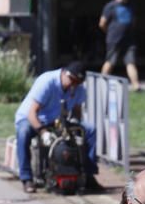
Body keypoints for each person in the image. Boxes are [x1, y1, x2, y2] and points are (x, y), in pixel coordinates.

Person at [14, 61, 99, 194]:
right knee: (23, 133)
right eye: (72, 80)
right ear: (64, 73)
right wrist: (42, 132)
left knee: (90, 130)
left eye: (77, 82)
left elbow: (77, 111)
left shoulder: (78, 88)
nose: (73, 85)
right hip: (33, 118)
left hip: (56, 120)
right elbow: (32, 113)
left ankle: (88, 174)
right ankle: (26, 178)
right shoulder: (47, 82)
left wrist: (75, 126)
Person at [99, 0, 141, 92]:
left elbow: (134, 21)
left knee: (131, 62)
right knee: (110, 62)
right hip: (114, 40)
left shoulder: (131, 6)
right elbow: (102, 23)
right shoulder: (110, 6)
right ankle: (101, 85)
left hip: (129, 40)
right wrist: (110, 33)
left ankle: (137, 87)